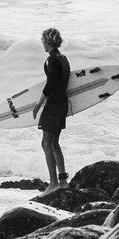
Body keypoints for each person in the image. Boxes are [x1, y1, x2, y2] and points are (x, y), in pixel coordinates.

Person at [37, 27, 70, 189]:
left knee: (46, 143)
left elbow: (51, 84)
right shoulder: (64, 59)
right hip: (63, 103)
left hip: (53, 105)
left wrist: (38, 103)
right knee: (55, 142)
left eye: (43, 41)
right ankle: (63, 181)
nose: (42, 44)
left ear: (47, 42)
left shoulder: (51, 60)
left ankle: (53, 184)